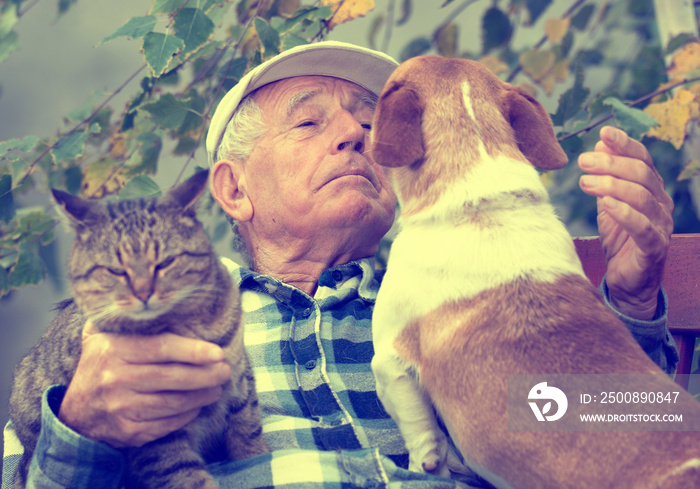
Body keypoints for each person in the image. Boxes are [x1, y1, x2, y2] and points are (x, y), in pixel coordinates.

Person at [2, 41, 677, 489]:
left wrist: (632, 301)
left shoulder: (457, 304)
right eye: (309, 123)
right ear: (233, 190)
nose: (357, 133)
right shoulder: (156, 326)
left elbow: (602, 427)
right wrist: (81, 426)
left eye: (370, 121)